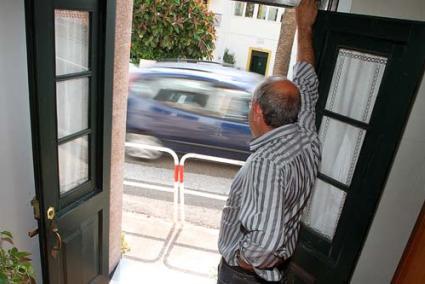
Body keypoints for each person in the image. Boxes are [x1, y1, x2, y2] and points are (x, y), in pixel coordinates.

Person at [217, 0, 321, 283]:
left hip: (245, 276)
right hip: (282, 265)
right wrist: (304, 28)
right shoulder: (306, 136)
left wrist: (242, 261)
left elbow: (266, 242)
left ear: (257, 111)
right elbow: (308, 85)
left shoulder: (266, 163)